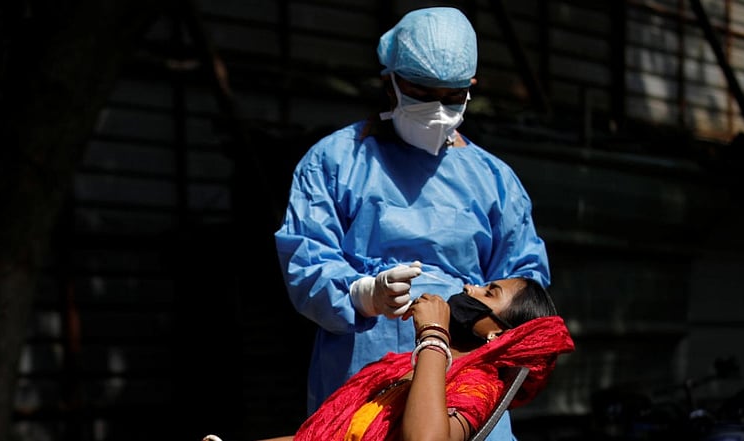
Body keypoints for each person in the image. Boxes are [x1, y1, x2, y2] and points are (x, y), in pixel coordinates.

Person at [273, 6, 551, 441]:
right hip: (360, 383)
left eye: (453, 95)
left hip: (462, 388)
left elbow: (524, 295)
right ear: (391, 83)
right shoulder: (333, 163)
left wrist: (467, 319)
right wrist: (363, 294)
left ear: (471, 88)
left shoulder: (495, 182)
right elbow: (305, 262)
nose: (438, 108)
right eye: (422, 92)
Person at [203, 278, 574, 441]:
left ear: (499, 333)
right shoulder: (405, 372)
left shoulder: (477, 386)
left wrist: (433, 335)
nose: (469, 288)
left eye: (488, 293)